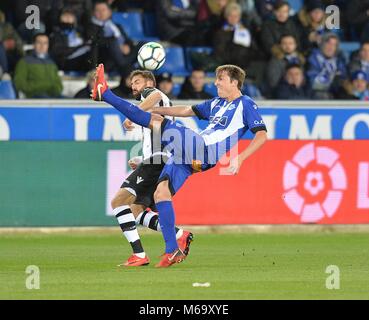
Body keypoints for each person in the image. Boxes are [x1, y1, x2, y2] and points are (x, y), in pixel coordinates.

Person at [92, 63, 267, 267]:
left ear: (234, 82)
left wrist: (241, 157)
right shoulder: (217, 103)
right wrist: (151, 109)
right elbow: (186, 110)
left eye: (221, 78)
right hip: (189, 156)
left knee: (156, 122)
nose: (216, 82)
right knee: (161, 193)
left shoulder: (246, 103)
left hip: (203, 149)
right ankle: (172, 251)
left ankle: (105, 94)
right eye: (217, 78)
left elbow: (262, 135)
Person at [109, 70, 193, 267]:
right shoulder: (159, 109)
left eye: (137, 82)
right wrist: (142, 159)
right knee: (136, 210)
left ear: (149, 82)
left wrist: (132, 115)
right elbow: (158, 141)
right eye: (132, 83)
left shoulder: (153, 94)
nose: (134, 87)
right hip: (158, 160)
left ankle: (139, 255)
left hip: (156, 162)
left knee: (118, 202)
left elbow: (154, 94)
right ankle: (181, 234)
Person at [14, 33, 63, 98]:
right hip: (33, 97)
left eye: (45, 43)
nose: (42, 46)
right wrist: (44, 85)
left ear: (48, 45)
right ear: (34, 44)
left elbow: (59, 85)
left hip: (53, 96)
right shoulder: (24, 62)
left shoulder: (52, 63)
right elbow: (19, 84)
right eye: (39, 42)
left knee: (70, 102)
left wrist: (55, 89)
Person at [306, 32, 347, 99]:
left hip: (336, 93)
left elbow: (343, 78)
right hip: (316, 93)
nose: (331, 47)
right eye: (328, 43)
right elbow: (313, 82)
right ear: (322, 44)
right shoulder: (312, 58)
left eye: (334, 45)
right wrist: (331, 83)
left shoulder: (339, 60)